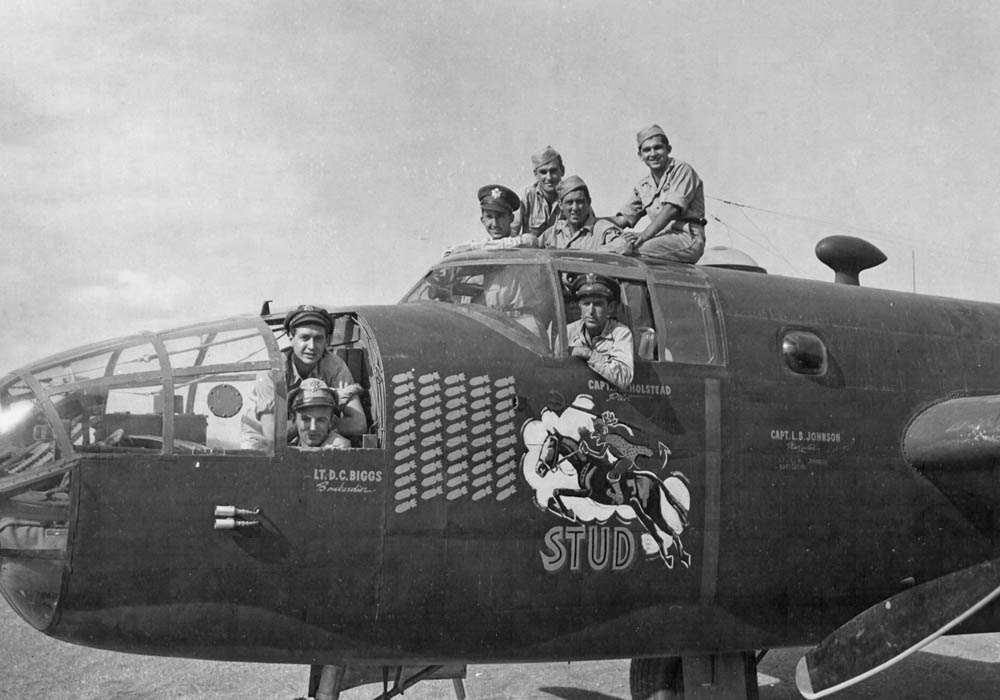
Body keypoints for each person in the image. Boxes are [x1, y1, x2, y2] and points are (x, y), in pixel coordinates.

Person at [240, 305, 365, 449]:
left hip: (308, 435)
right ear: (291, 338)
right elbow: (273, 436)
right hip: (263, 440)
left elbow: (358, 423)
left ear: (327, 341)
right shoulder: (272, 371)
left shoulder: (335, 367)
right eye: (305, 338)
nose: (312, 346)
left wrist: (319, 424)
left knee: (339, 446)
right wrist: (315, 420)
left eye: (318, 339)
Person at [611, 124, 706, 263]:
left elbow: (671, 209)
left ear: (668, 149)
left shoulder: (682, 170)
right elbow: (622, 219)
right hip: (660, 237)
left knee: (627, 250)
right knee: (615, 246)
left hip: (686, 237)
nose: (653, 154)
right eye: (647, 150)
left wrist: (643, 235)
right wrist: (593, 223)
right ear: (640, 155)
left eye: (658, 148)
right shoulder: (643, 186)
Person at [566, 273, 633, 390]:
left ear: (610, 307)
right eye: (586, 304)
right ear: (579, 307)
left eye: (598, 304)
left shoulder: (621, 333)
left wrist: (588, 354)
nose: (591, 311)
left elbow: (624, 377)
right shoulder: (568, 332)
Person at [539, 175, 632, 254]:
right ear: (561, 205)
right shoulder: (555, 231)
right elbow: (532, 247)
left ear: (588, 202)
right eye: (569, 203)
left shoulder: (601, 229)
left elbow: (623, 246)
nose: (575, 208)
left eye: (580, 202)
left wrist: (586, 254)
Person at [442, 184, 539, 256]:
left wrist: (472, 248)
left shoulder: (525, 242)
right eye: (489, 217)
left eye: (500, 216)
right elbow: (447, 253)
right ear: (482, 220)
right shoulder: (481, 246)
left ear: (511, 218)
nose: (495, 223)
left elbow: (525, 242)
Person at [512, 146, 565, 236]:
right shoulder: (527, 196)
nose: (549, 177)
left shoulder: (573, 196)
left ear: (562, 171)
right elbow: (512, 231)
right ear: (535, 174)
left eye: (553, 171)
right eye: (543, 172)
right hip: (533, 249)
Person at [288, 378, 351, 449]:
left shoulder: (338, 448)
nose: (313, 428)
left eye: (321, 420)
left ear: (331, 422)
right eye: (306, 419)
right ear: (293, 419)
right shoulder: (286, 446)